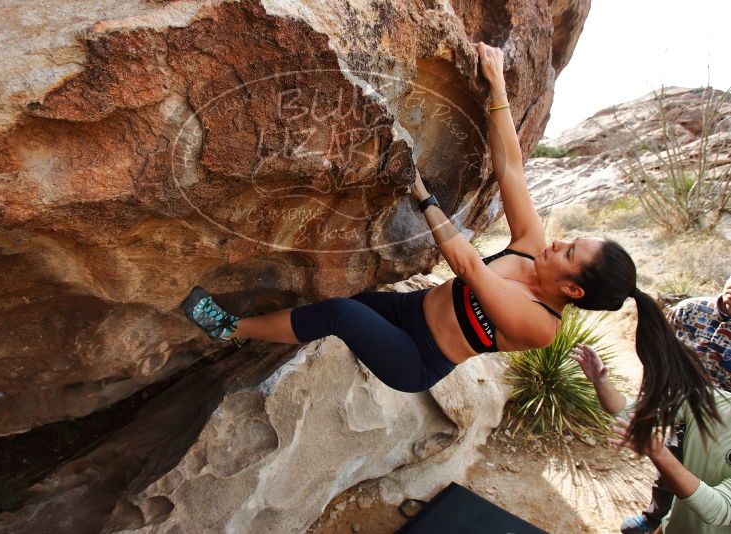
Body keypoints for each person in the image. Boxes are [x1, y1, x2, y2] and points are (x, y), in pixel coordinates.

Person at [182, 42, 719, 450]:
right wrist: (498, 87)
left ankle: (229, 328)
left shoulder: (540, 323)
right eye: (570, 238)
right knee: (335, 306)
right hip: (406, 309)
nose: (557, 241)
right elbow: (511, 167)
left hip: (417, 357)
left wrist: (421, 194)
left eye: (571, 251)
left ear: (573, 287)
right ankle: (253, 332)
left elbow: (466, 264)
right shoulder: (532, 247)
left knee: (341, 314)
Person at [611, 276, 731, 533]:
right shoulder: (690, 311)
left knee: (704, 481)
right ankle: (654, 519)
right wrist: (649, 394)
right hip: (677, 406)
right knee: (667, 467)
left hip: (720, 425)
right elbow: (659, 356)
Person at [571, 344, 731, 534]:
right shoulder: (714, 401)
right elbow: (637, 413)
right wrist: (601, 381)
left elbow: (719, 510)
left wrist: (659, 453)